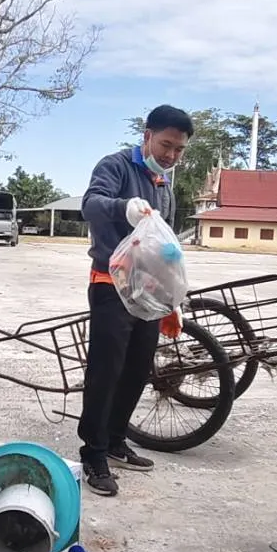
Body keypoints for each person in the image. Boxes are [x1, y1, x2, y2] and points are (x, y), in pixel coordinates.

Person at [78, 105, 193, 496]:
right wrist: (121, 207)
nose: (171, 155)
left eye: (179, 149)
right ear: (147, 136)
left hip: (148, 293)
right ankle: (93, 454)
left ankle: (115, 441)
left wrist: (172, 300)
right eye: (165, 145)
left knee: (138, 369)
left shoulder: (164, 187)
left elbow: (166, 249)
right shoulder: (115, 167)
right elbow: (90, 205)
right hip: (111, 284)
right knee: (105, 371)